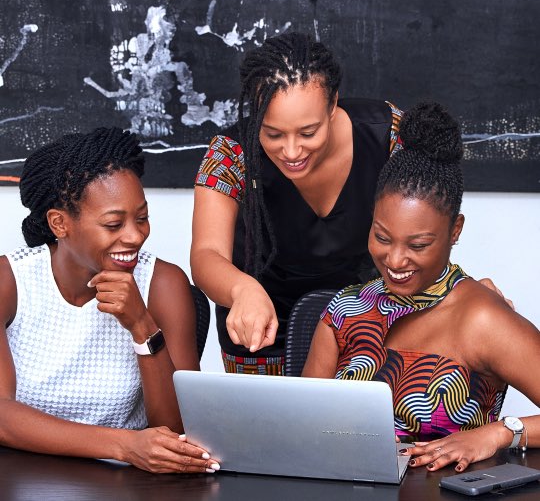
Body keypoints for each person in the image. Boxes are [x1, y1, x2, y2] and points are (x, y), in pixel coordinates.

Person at [303, 102, 540, 472]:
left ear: (455, 231)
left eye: (418, 245)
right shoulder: (344, 310)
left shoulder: (482, 318)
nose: (395, 261)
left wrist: (500, 433)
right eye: (382, 237)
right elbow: (301, 426)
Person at [0, 127, 219, 474]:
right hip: (20, 476)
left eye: (142, 218)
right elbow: (2, 417)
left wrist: (142, 326)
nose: (135, 236)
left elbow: (181, 430)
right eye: (114, 224)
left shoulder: (163, 283)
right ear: (59, 223)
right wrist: (124, 445)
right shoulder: (9, 282)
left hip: (125, 485)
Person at [191, 31, 403, 374]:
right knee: (266, 428)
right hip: (260, 331)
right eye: (272, 133)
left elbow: (429, 225)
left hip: (365, 324)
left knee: (355, 427)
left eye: (308, 132)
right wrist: (242, 289)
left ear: (333, 104)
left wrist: (457, 288)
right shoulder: (229, 155)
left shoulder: (388, 134)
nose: (291, 152)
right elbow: (205, 256)